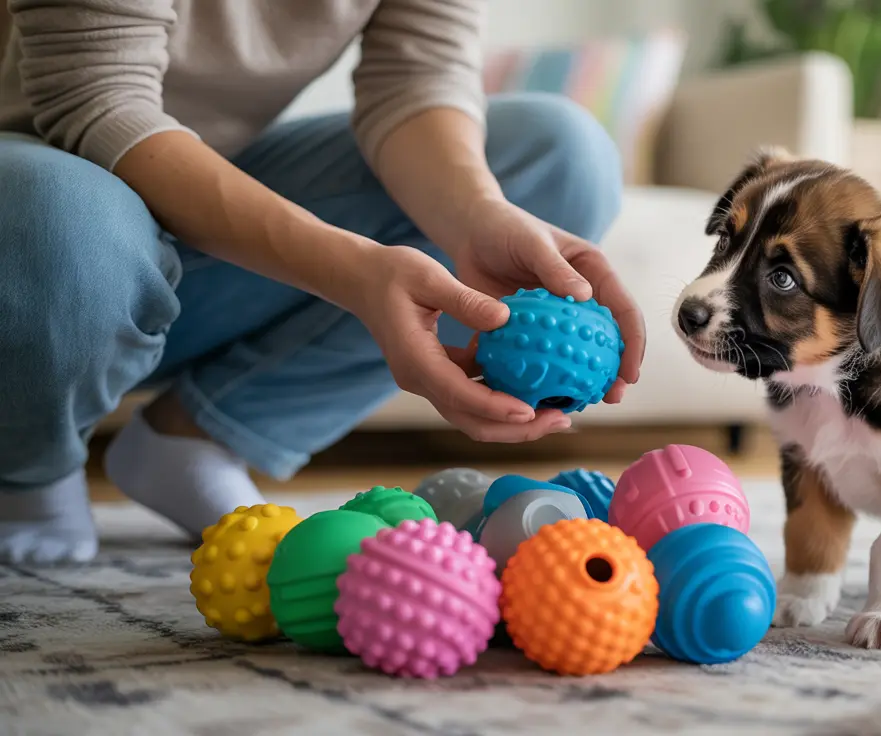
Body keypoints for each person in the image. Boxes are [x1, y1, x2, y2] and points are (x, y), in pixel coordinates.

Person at [0, 0, 645, 564]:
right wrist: (354, 271)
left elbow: (415, 84)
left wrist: (479, 217)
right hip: (39, 238)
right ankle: (27, 464)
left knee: (560, 157)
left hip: (180, 238)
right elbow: (99, 100)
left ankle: (198, 437)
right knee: (62, 221)